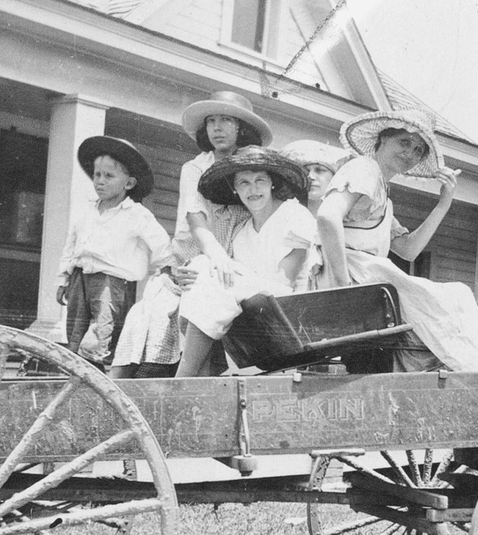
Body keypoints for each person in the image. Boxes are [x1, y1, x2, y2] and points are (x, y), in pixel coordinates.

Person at [314, 108, 478, 373]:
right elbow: (328, 216)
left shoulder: (383, 194)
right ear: (383, 138)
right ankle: (472, 362)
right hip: (350, 277)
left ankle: (467, 358)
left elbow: (409, 250)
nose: (410, 153)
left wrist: (444, 202)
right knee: (456, 297)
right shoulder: (366, 168)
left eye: (418, 150)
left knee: (448, 302)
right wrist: (344, 287)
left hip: (367, 283)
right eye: (404, 142)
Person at [111, 90, 272, 378]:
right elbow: (193, 222)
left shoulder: (253, 170)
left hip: (237, 269)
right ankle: (122, 389)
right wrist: (181, 267)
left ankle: (193, 388)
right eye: (211, 121)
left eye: (226, 120)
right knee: (149, 316)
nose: (217, 128)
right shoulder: (195, 168)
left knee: (211, 309)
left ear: (241, 128)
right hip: (195, 261)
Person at [175, 146, 315, 377]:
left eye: (260, 180)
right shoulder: (242, 233)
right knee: (200, 265)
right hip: (251, 315)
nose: (253, 189)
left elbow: (285, 280)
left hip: (287, 311)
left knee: (208, 269)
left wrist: (222, 278)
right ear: (235, 190)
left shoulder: (295, 214)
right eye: (244, 183)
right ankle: (195, 376)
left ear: (272, 183)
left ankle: (184, 374)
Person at [56, 136, 173, 369]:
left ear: (128, 183)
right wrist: (63, 279)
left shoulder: (136, 214)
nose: (100, 181)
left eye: (109, 176)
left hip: (112, 282)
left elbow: (161, 244)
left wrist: (168, 270)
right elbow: (71, 246)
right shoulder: (86, 209)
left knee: (102, 331)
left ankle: (98, 375)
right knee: (75, 330)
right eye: (97, 175)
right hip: (80, 277)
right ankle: (77, 371)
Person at [279, 139, 352, 216]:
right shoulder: (285, 214)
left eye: (319, 170)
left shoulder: (343, 219)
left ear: (334, 178)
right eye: (306, 171)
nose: (311, 176)